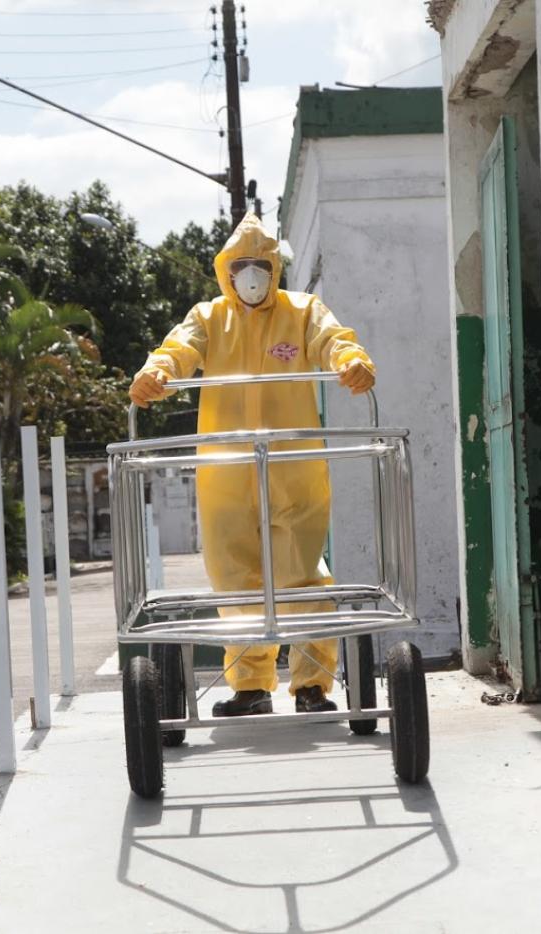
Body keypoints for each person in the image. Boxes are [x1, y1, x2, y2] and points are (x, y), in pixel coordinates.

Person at [129, 211, 375, 716]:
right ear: (226, 270)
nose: (251, 274)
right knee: (235, 578)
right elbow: (179, 348)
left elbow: (333, 340)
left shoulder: (303, 311)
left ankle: (312, 683)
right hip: (226, 471)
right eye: (240, 265)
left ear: (272, 268)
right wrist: (156, 373)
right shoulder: (208, 318)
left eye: (259, 264)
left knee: (300, 576)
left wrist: (349, 362)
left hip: (294, 467)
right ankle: (250, 685)